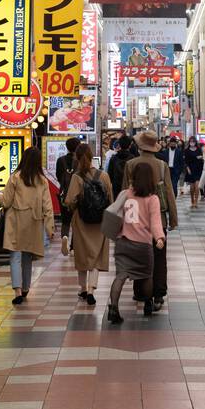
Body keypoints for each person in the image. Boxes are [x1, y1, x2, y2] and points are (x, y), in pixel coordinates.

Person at [122, 128, 177, 309]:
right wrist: (174, 218)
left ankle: (140, 292)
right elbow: (169, 192)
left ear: (140, 146)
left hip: (135, 221)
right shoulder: (161, 165)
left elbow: (124, 193)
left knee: (139, 257)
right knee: (159, 259)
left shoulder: (131, 164)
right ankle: (159, 294)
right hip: (158, 219)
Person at [107, 161, 165, 325]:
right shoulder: (152, 198)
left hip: (123, 242)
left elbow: (115, 211)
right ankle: (148, 304)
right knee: (146, 275)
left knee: (120, 276)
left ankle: (113, 309)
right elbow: (155, 222)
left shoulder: (125, 194)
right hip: (142, 245)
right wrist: (159, 238)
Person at [0, 145, 54, 306]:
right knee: (28, 256)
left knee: (15, 256)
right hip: (34, 221)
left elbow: (7, 201)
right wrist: (49, 227)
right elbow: (47, 205)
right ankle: (25, 288)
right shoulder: (42, 180)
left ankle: (17, 292)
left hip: (15, 220)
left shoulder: (15, 177)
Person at [64, 143, 111, 305]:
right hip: (100, 222)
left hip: (82, 221)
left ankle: (83, 289)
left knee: (82, 255)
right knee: (96, 255)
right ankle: (92, 289)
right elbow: (110, 199)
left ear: (77, 157)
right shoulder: (103, 175)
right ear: (92, 157)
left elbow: (69, 201)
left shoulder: (77, 177)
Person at [55, 136, 80, 253]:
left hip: (64, 194)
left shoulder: (60, 160)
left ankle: (64, 236)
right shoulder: (80, 160)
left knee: (65, 220)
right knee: (76, 220)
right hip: (77, 195)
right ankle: (74, 246)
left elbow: (58, 176)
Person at [106, 133, 137, 198]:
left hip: (116, 189)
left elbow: (109, 175)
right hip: (129, 189)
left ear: (119, 145)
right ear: (129, 146)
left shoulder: (113, 158)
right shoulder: (133, 159)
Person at [183, 136, 204, 209]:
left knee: (197, 186)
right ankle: (192, 199)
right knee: (192, 188)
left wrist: (201, 158)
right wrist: (188, 168)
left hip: (198, 169)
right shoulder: (186, 150)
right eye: (191, 141)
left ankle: (196, 202)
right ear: (189, 142)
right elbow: (185, 161)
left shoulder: (198, 149)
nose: (192, 143)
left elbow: (202, 157)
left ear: (195, 142)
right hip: (190, 169)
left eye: (193, 141)